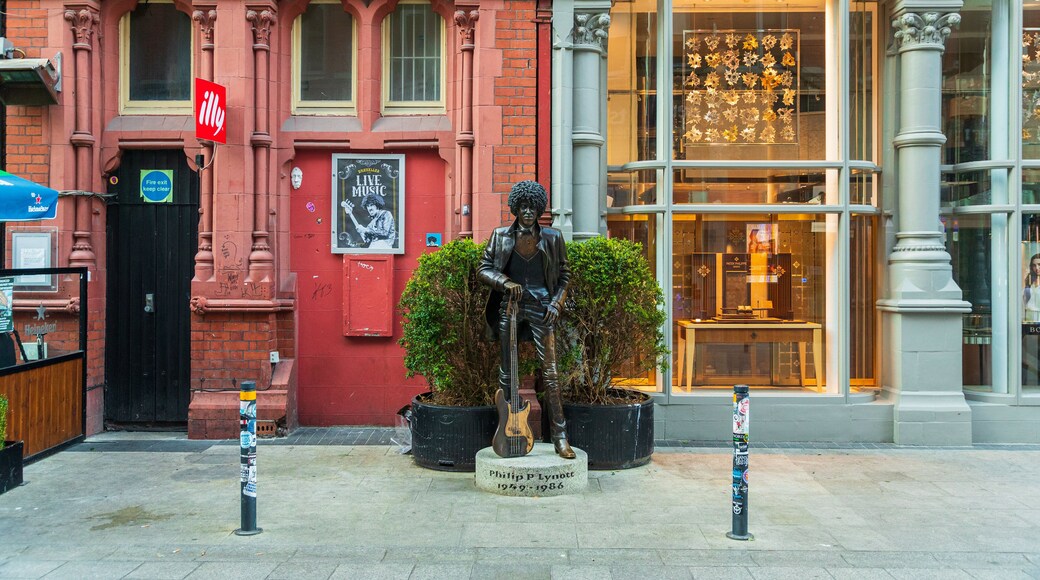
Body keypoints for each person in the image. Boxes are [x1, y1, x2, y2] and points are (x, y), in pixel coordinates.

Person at [478, 180, 575, 459]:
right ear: (515, 208)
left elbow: (565, 275)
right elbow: (483, 269)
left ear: (539, 208)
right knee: (507, 373)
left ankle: (560, 437)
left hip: (542, 307)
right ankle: (509, 431)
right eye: (523, 206)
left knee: (551, 374)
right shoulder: (500, 236)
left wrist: (557, 303)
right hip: (510, 307)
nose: (528, 211)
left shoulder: (553, 238)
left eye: (532, 207)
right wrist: (504, 282)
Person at [1025, 253, 1040, 322]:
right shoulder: (1030, 281)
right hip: (1029, 318)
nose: (1037, 268)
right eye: (1034, 265)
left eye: (1039, 264)